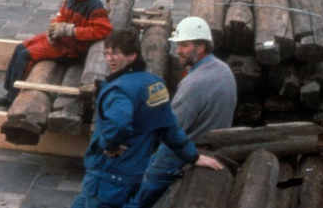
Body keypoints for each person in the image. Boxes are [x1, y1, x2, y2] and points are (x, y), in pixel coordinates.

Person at [72, 29, 223, 208]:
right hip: (131, 172)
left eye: (116, 53)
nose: (110, 59)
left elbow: (119, 124)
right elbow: (168, 127)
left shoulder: (119, 90)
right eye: (107, 53)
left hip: (108, 173)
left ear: (132, 56)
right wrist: (192, 156)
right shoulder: (154, 84)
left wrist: (109, 145)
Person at [126, 16, 237, 208]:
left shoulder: (194, 83)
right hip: (214, 144)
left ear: (200, 47)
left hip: (185, 150)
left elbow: (172, 128)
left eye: (184, 46)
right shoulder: (223, 70)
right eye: (178, 45)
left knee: (143, 190)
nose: (178, 51)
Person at [0, 0, 112, 108]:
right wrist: (53, 27)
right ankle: (9, 89)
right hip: (61, 39)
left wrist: (70, 30)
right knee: (19, 47)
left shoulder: (94, 6)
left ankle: (13, 97)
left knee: (25, 55)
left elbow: (103, 30)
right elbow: (62, 14)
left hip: (72, 48)